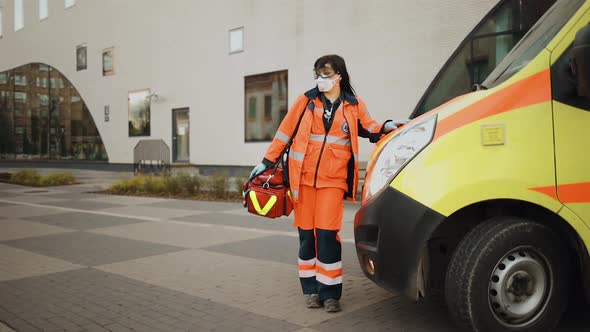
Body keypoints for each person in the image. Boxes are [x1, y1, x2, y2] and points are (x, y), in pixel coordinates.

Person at [250, 54, 408, 313]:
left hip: (332, 180)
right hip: (303, 179)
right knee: (306, 237)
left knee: (327, 235)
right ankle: (311, 290)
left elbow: (369, 127)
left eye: (325, 73)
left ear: (339, 76)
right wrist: (267, 161)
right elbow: (284, 131)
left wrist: (387, 125)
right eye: (317, 73)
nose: (320, 78)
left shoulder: (354, 105)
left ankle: (331, 293)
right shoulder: (306, 100)